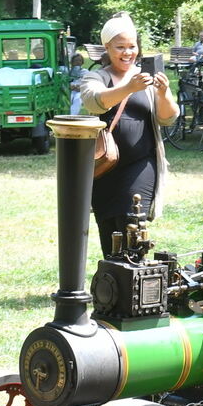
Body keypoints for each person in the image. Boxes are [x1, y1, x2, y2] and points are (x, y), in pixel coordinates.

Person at [79, 14, 180, 258]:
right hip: (103, 168)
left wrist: (164, 93)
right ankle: (114, 286)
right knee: (109, 229)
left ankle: (135, 283)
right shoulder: (97, 77)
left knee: (132, 222)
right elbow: (94, 102)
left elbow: (168, 118)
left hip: (140, 166)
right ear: (107, 48)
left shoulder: (147, 77)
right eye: (120, 47)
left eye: (132, 46)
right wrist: (128, 87)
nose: (128, 52)